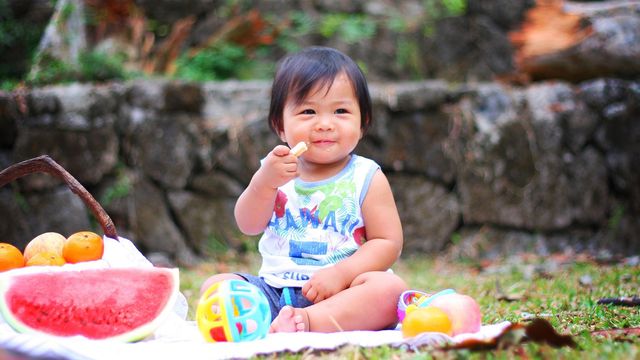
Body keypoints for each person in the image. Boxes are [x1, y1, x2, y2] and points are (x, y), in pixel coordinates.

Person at [200, 46, 407, 333]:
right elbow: (248, 225)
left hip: (343, 291)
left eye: (341, 111)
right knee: (216, 286)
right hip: (275, 291)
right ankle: (278, 319)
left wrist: (341, 273)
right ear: (280, 126)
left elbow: (387, 242)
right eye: (308, 111)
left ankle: (309, 321)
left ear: (363, 124)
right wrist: (264, 183)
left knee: (389, 289)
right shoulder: (274, 170)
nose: (324, 124)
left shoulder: (366, 176)